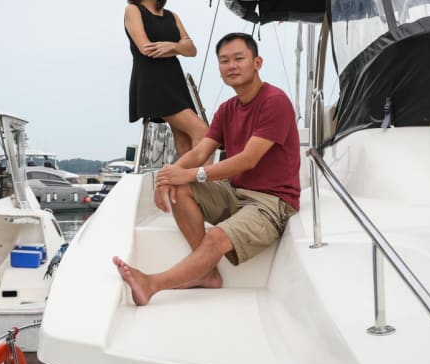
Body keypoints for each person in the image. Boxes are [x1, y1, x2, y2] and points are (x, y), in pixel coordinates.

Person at [113, 32, 300, 306]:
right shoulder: (227, 108)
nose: (231, 66)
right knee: (179, 187)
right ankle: (208, 273)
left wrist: (191, 173)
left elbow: (249, 159)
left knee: (215, 236)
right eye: (224, 61)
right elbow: (202, 151)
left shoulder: (275, 101)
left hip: (272, 203)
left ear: (257, 62)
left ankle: (152, 284)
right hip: (235, 193)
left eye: (239, 59)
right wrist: (167, 177)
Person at [126, 0, 208, 157]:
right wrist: (180, 45)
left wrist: (173, 47)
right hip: (153, 81)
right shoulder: (133, 10)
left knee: (185, 139)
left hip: (174, 81)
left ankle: (186, 187)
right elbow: (148, 49)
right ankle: (203, 185)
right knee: (202, 132)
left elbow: (192, 50)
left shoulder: (172, 16)